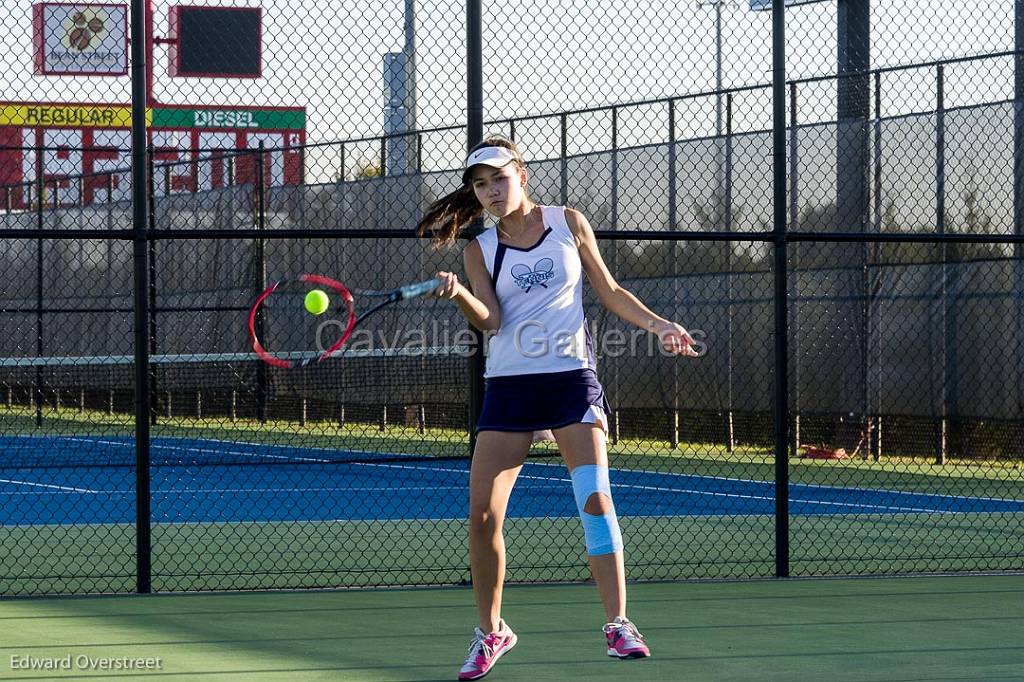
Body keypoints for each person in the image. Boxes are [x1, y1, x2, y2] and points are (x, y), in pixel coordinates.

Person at [417, 136, 700, 681]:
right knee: (481, 519)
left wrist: (660, 325)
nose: (492, 191)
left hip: (571, 380)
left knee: (595, 497)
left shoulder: (569, 222)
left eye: (499, 178)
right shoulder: (479, 247)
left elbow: (610, 290)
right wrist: (457, 295)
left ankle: (618, 623)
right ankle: (491, 632)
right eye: (480, 185)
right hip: (510, 386)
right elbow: (492, 320)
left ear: (521, 174)